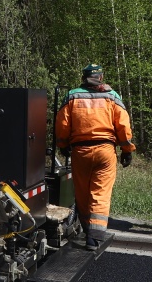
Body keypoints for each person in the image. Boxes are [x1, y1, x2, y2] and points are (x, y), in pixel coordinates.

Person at [55, 64, 136, 250]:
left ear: (83, 77)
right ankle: (95, 237)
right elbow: (123, 126)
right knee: (100, 193)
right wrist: (127, 150)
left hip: (80, 152)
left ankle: (86, 229)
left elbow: (62, 124)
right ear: (101, 77)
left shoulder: (72, 96)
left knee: (82, 194)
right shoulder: (112, 96)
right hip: (105, 151)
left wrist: (63, 145)